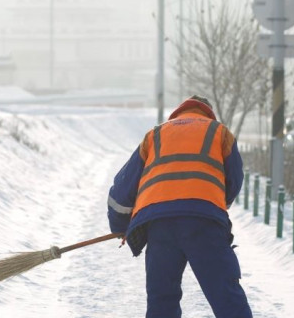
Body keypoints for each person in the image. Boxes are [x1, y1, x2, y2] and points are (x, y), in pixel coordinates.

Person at [107, 95, 252, 318]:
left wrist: (120, 225)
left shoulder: (155, 135)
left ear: (178, 113)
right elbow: (234, 180)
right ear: (208, 113)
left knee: (161, 302)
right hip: (205, 223)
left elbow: (122, 190)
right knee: (227, 298)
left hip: (159, 225)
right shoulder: (219, 132)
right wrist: (216, 204)